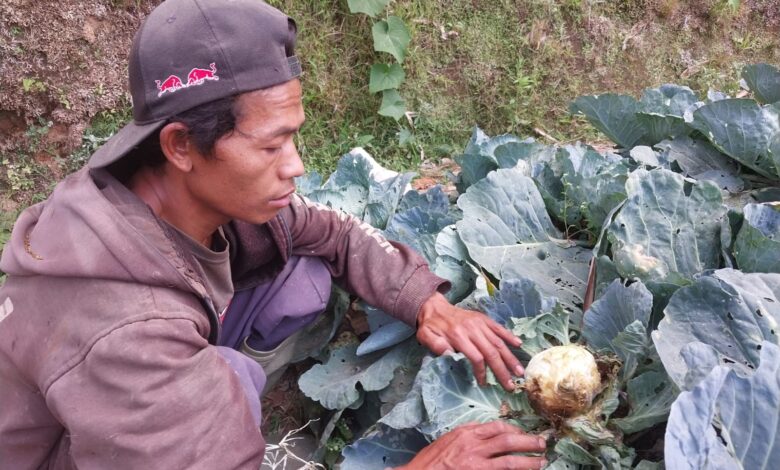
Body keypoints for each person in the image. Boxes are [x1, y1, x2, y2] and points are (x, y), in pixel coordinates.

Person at [0, 0, 547, 468]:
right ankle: (210, 423)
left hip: (130, 400)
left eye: (293, 139)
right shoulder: (129, 333)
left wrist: (426, 302)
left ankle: (212, 416)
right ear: (180, 145)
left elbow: (330, 228)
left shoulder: (185, 191)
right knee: (228, 377)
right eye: (270, 146)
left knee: (300, 277)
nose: (296, 166)